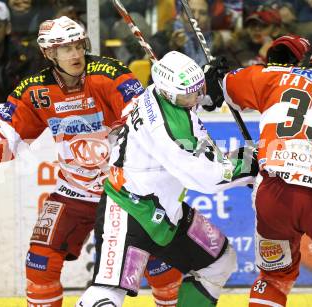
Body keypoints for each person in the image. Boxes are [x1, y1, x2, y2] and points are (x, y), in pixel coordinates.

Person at [0, 15, 191, 307]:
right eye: (66, 48)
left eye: (78, 45)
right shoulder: (34, 91)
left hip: (127, 192)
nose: (75, 54)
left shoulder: (111, 74)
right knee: (40, 262)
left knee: (162, 269)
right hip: (74, 191)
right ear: (49, 53)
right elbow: (5, 137)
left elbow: (145, 121)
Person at [76, 50, 259, 307]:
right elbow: (206, 177)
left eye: (198, 89)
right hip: (129, 209)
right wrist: (252, 162)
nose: (194, 97)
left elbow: (188, 95)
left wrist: (209, 89)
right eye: (190, 94)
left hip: (165, 211)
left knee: (219, 262)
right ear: (169, 93)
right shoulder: (168, 130)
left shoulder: (158, 92)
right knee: (107, 293)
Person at [205, 35, 312, 306]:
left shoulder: (276, 76)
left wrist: (221, 77)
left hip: (277, 193)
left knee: (273, 280)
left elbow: (224, 87)